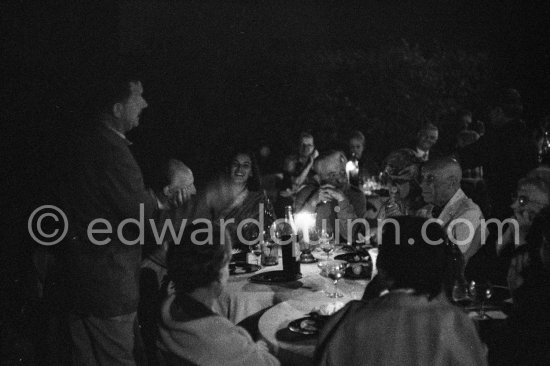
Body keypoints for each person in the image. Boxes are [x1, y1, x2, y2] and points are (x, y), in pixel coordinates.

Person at [54, 75, 179, 365]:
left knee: (84, 356)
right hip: (108, 285)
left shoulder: (86, 141)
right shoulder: (112, 151)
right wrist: (164, 196)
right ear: (117, 108)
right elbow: (140, 216)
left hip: (80, 280)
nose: (145, 103)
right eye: (138, 96)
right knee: (117, 357)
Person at [314, 216, 487, 366]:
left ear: (381, 264)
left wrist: (369, 296)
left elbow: (323, 358)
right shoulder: (454, 323)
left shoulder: (350, 319)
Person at [158, 224, 280, 366]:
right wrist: (260, 347)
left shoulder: (169, 306)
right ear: (219, 273)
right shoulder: (219, 338)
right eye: (227, 263)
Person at [457, 88, 539, 220]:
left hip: (501, 209)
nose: (489, 116)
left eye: (491, 111)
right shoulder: (529, 139)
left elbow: (465, 157)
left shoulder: (496, 139)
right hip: (525, 210)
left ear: (499, 111)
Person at [466, 176, 550, 285]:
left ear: (543, 207)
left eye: (522, 200)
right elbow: (471, 273)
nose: (513, 206)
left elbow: (531, 292)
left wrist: (521, 241)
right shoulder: (505, 229)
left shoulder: (545, 242)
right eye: (515, 198)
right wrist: (503, 241)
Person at [192, 150, 273, 255]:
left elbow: (270, 230)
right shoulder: (212, 195)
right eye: (235, 164)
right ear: (228, 167)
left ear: (251, 172)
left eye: (246, 165)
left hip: (249, 257)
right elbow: (198, 230)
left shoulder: (258, 199)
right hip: (214, 256)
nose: (240, 169)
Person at [419, 157, 485, 265]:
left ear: (452, 183)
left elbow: (453, 265)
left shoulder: (469, 214)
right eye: (422, 178)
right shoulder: (426, 210)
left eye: (430, 179)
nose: (422, 184)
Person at [294, 150, 366, 242]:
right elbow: (299, 235)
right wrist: (312, 203)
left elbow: (352, 237)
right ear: (318, 178)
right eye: (332, 175)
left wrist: (342, 201)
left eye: (342, 173)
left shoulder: (356, 196)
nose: (340, 180)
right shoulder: (306, 194)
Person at [375, 148, 423, 219]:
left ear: (413, 182)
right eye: (390, 182)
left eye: (399, 182)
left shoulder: (425, 211)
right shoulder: (387, 207)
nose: (393, 189)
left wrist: (401, 220)